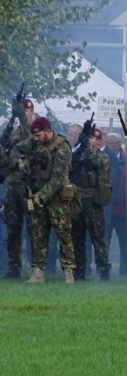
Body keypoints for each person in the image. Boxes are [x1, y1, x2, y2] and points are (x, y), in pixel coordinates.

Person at [12, 117, 76, 283]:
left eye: (39, 135)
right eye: (35, 136)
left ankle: (68, 271)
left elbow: (58, 179)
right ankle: (38, 271)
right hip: (37, 194)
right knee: (37, 234)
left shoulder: (62, 149)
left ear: (48, 131)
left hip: (57, 199)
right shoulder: (35, 142)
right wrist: (21, 163)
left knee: (63, 234)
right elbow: (16, 149)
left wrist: (40, 196)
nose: (36, 139)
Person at [70, 124, 112, 281]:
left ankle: (103, 269)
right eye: (89, 137)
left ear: (100, 142)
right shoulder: (79, 154)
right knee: (77, 237)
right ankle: (79, 269)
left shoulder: (103, 157)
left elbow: (97, 162)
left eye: (94, 138)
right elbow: (71, 163)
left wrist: (85, 146)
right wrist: (81, 145)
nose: (91, 140)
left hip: (93, 202)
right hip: (77, 200)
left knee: (97, 237)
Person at [1, 97, 35, 279]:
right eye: (24, 110)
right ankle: (14, 267)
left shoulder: (37, 128)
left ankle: (36, 267)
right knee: (13, 228)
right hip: (13, 182)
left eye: (27, 110)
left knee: (33, 228)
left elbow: (30, 136)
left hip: (29, 183)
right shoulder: (14, 129)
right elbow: (3, 143)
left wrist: (20, 114)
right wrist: (12, 118)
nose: (26, 113)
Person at [105, 132, 127, 276]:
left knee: (125, 241)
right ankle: (104, 270)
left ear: (118, 145)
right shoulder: (103, 158)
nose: (109, 146)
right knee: (105, 239)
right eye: (108, 143)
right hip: (107, 206)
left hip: (123, 208)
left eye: (112, 143)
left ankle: (126, 270)